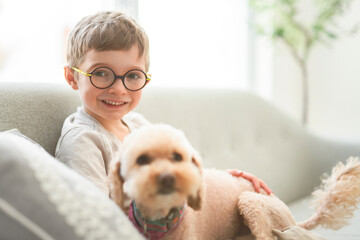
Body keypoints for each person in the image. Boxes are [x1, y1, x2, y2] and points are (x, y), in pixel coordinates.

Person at [55, 11, 271, 197]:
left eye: (132, 76)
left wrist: (224, 182)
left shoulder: (138, 125)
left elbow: (178, 171)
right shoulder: (82, 141)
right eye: (101, 73)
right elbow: (98, 216)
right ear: (72, 77)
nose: (119, 89)